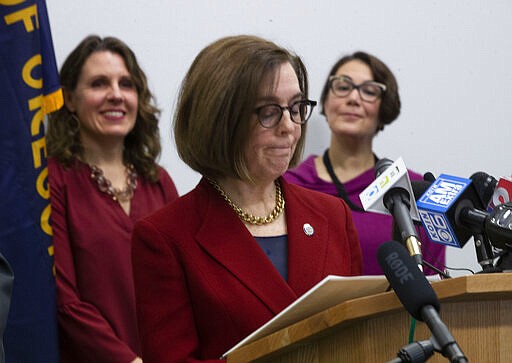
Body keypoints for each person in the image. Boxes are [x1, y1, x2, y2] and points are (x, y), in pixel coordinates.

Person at [131, 35, 363, 362]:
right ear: (220, 120)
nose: (289, 127)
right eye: (269, 112)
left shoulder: (332, 215)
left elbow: (360, 335)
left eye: (296, 108)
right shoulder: (165, 238)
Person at [47, 35, 179, 363]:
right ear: (70, 100)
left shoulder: (159, 182)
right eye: (98, 84)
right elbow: (64, 301)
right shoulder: (53, 180)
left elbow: (183, 289)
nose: (116, 95)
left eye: (126, 84)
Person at [284, 51, 446, 275]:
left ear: (384, 109)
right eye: (342, 87)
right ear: (326, 101)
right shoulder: (286, 185)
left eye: (369, 91)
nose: (353, 98)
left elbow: (435, 284)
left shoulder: (414, 191)